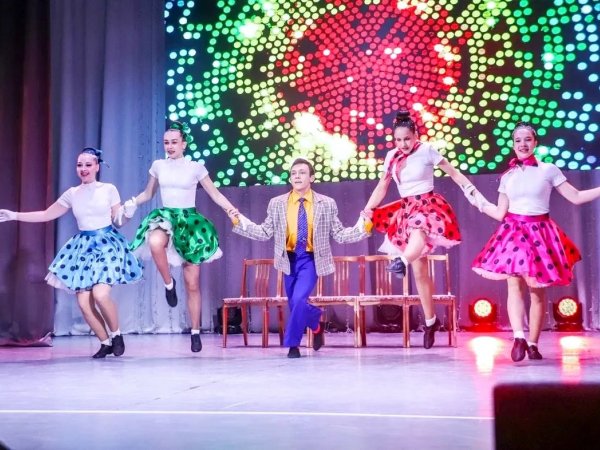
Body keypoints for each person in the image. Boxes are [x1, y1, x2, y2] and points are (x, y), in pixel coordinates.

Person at [467, 121, 600, 362]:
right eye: (518, 140)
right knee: (514, 285)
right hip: (513, 233)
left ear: (535, 142)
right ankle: (518, 337)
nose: (523, 144)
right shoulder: (508, 176)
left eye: (527, 139)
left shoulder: (548, 170)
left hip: (540, 233)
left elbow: (576, 196)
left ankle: (533, 343)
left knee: (537, 292)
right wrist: (478, 201)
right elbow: (500, 212)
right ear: (513, 145)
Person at [0, 148, 143, 358]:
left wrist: (127, 213)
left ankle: (117, 335)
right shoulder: (72, 193)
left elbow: (118, 221)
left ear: (97, 166)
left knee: (100, 295)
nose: (83, 169)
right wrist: (15, 215)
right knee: (84, 303)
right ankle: (105, 342)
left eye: (88, 165)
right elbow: (46, 214)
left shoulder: (108, 189)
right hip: (83, 247)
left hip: (107, 245)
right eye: (79, 165)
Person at [230, 158, 370, 358]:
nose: (297, 176)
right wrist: (239, 221)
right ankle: (316, 323)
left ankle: (293, 345)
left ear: (312, 177)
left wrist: (364, 226)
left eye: (302, 172)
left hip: (310, 259)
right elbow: (264, 232)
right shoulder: (277, 203)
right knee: (295, 303)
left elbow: (339, 234)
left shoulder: (326, 203)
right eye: (293, 173)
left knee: (298, 299)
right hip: (288, 259)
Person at [362, 110, 475, 349]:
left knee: (419, 228)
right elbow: (382, 186)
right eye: (398, 140)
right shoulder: (392, 157)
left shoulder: (427, 150)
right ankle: (431, 322)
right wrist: (368, 209)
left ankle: (401, 261)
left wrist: (471, 191)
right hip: (406, 208)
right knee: (420, 272)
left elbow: (453, 172)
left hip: (427, 204)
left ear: (416, 135)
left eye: (407, 139)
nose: (403, 144)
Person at [124, 122, 238, 353]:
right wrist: (132, 202)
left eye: (174, 142)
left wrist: (231, 210)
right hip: (167, 216)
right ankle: (169, 283)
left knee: (192, 283)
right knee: (155, 242)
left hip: (189, 222)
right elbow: (148, 193)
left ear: (184, 144)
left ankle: (195, 332)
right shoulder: (158, 166)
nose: (170, 146)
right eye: (166, 142)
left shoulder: (196, 167)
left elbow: (215, 194)